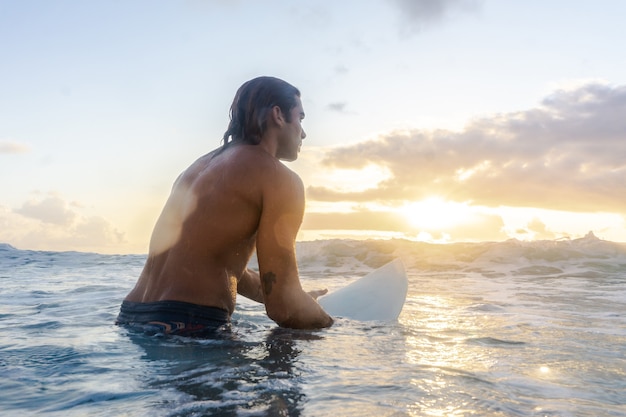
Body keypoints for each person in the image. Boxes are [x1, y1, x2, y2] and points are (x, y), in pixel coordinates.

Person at [116, 76, 334, 336]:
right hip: (191, 325)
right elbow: (285, 308)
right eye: (300, 118)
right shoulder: (278, 178)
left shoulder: (199, 168)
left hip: (131, 319)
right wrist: (338, 328)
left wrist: (294, 296)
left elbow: (219, 264)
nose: (303, 132)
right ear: (278, 115)